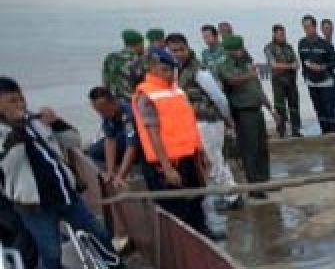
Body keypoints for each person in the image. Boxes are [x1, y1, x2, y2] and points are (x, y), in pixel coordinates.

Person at [0, 77, 148, 269]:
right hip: (34, 206)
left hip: (65, 195)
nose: (20, 103)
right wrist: (18, 130)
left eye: (21, 97)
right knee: (50, 252)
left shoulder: (35, 122)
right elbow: (12, 165)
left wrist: (56, 122)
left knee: (99, 233)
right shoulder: (4, 134)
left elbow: (73, 140)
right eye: (12, 100)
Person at [131, 48, 219, 240]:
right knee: (177, 206)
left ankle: (202, 233)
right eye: (165, 70)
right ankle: (185, 242)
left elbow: (189, 124)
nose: (170, 74)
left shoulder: (176, 90)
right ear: (153, 68)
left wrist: (200, 151)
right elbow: (153, 134)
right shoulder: (147, 95)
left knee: (197, 198)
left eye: (172, 70)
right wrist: (167, 168)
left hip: (189, 156)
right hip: (168, 162)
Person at [167, 33, 241, 211]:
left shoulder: (199, 70)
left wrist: (227, 117)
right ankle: (231, 193)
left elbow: (219, 97)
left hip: (208, 121)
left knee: (213, 160)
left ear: (187, 48)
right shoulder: (179, 70)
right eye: (173, 51)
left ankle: (233, 196)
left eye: (180, 49)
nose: (177, 53)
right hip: (195, 122)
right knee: (215, 160)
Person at [216, 35, 276, 199]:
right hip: (243, 112)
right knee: (249, 150)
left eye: (241, 48)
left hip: (257, 110)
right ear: (228, 51)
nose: (240, 51)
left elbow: (258, 89)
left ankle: (265, 181)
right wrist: (250, 74)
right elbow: (231, 80)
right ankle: (254, 187)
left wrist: (271, 109)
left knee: (262, 148)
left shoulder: (248, 65)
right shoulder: (224, 66)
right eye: (236, 49)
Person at [87, 86, 139, 189]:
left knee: (129, 143)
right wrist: (110, 171)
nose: (101, 114)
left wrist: (121, 176)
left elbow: (132, 145)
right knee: (93, 151)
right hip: (122, 138)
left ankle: (125, 171)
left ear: (113, 102)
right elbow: (110, 140)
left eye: (103, 110)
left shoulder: (127, 114)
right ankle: (112, 173)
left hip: (137, 142)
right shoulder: (106, 113)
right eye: (98, 111)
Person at [297, 14, 335, 133]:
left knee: (328, 109)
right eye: (304, 27)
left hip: (325, 82)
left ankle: (333, 132)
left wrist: (321, 67)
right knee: (318, 109)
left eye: (309, 26)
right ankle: (324, 132)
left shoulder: (325, 44)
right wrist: (305, 76)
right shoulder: (302, 43)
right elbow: (302, 60)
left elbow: (334, 62)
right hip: (311, 82)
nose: (307, 29)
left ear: (315, 27)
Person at [264, 24, 302, 137]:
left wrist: (293, 65)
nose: (283, 36)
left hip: (291, 81)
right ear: (274, 34)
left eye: (284, 34)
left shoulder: (288, 46)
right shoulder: (269, 48)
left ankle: (296, 130)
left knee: (294, 106)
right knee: (280, 107)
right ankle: (282, 130)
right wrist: (290, 66)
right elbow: (273, 65)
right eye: (280, 34)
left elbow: (297, 62)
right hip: (278, 82)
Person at [101, 29, 146, 103]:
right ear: (138, 44)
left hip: (111, 101)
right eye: (142, 44)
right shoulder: (137, 60)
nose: (143, 48)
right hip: (129, 100)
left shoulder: (110, 57)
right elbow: (143, 82)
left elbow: (105, 78)